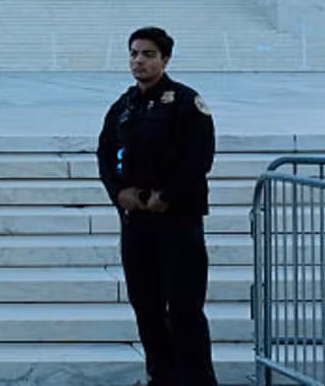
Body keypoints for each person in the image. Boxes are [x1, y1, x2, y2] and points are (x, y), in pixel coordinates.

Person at [96, 27, 217, 386]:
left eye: (148, 54)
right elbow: (105, 154)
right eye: (134, 53)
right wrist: (119, 193)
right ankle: (160, 377)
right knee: (146, 308)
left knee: (184, 311)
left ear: (165, 59)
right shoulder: (124, 105)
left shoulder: (186, 102)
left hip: (178, 221)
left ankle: (197, 380)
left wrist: (166, 195)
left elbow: (199, 158)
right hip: (136, 224)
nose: (139, 61)